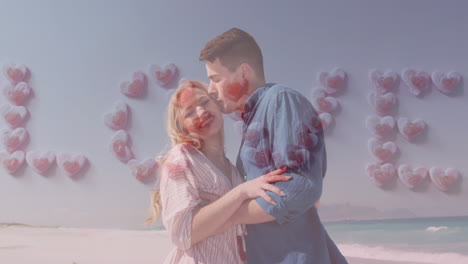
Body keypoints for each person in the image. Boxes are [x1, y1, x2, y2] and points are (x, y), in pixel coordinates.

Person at [199, 28, 348, 263]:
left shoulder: (282, 101)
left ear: (243, 73)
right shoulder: (254, 118)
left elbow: (301, 186)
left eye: (216, 79)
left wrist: (227, 215)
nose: (210, 89)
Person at [146, 80, 291, 264]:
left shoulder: (233, 169)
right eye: (190, 112)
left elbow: (241, 228)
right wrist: (240, 193)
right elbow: (182, 234)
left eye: (204, 102)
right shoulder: (182, 159)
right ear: (183, 127)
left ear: (217, 104)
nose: (201, 112)